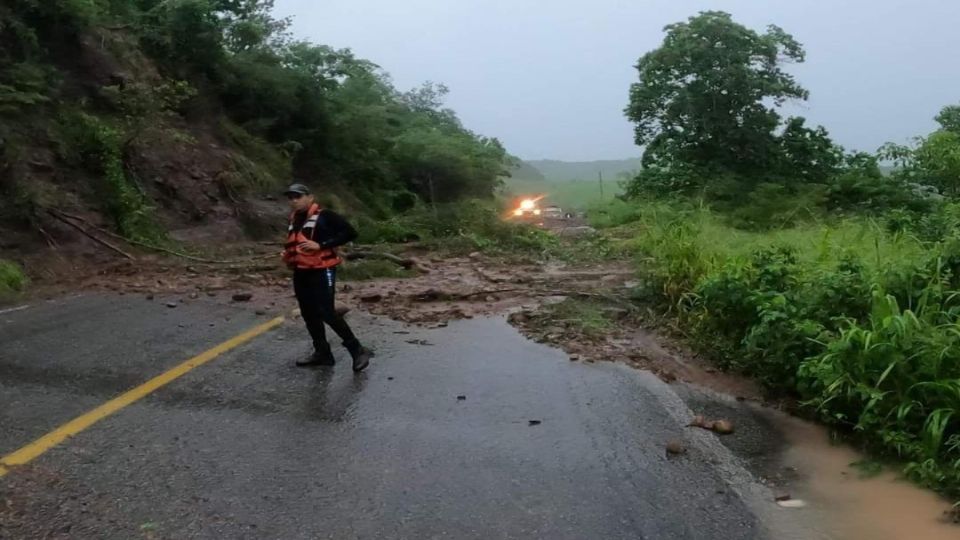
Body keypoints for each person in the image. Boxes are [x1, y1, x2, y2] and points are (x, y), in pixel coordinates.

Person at [282, 183, 371, 372]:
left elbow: (350, 233)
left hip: (323, 270)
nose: (294, 201)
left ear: (310, 197)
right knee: (308, 313)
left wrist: (321, 245)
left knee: (327, 312)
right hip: (301, 271)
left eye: (298, 196)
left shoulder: (326, 216)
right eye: (290, 197)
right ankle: (322, 354)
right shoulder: (294, 218)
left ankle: (357, 350)